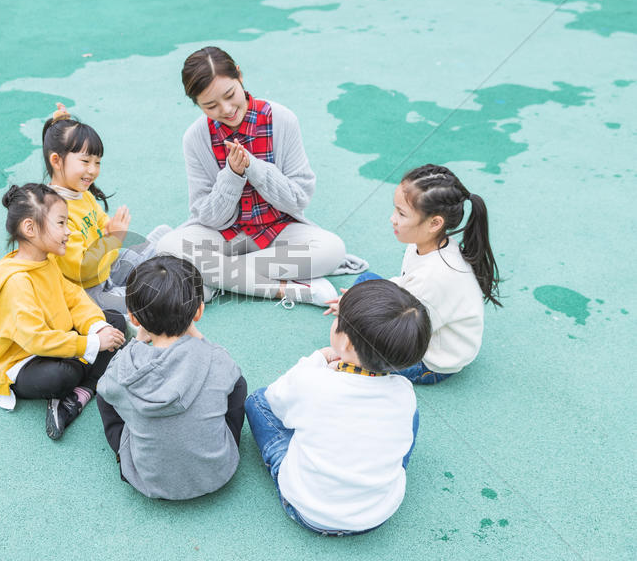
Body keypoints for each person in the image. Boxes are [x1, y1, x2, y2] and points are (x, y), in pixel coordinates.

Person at [155, 46, 367, 308]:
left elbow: (298, 199)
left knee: (332, 249)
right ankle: (290, 289)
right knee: (168, 246)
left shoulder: (282, 119)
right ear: (197, 104)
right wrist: (232, 176)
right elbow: (207, 217)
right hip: (223, 235)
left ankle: (212, 278)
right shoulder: (195, 138)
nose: (226, 109)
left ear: (240, 77)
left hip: (278, 230)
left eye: (230, 95)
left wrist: (252, 169)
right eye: (210, 106)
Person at [245, 279, 431, 535]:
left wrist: (317, 359)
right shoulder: (404, 391)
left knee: (256, 401)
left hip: (307, 510)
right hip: (376, 514)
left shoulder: (313, 381)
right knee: (410, 415)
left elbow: (275, 398)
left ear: (348, 344)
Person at [0, 183, 127, 440]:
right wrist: (90, 344)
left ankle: (77, 397)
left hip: (60, 340)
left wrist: (97, 328)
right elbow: (37, 340)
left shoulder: (46, 261)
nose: (68, 231)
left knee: (114, 323)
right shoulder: (17, 283)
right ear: (30, 228)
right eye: (61, 223)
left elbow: (75, 299)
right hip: (25, 362)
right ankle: (80, 384)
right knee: (59, 377)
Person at [326, 164, 501, 384]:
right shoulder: (425, 245)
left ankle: (347, 363)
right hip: (418, 311)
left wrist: (353, 313)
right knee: (365, 281)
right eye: (395, 209)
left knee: (352, 356)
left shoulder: (435, 278)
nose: (393, 218)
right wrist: (354, 300)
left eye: (401, 213)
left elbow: (404, 330)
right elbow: (403, 286)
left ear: (434, 223)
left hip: (429, 361)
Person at [96, 255, 247, 500]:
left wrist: (136, 340)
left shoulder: (125, 367)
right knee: (237, 385)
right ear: (199, 310)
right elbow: (234, 379)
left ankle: (125, 452)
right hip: (218, 473)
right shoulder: (217, 358)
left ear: (133, 318)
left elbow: (105, 388)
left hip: (148, 481)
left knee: (106, 396)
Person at [42, 103, 169, 316]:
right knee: (143, 299)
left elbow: (102, 225)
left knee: (153, 256)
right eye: (85, 161)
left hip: (105, 268)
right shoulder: (53, 212)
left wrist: (111, 231)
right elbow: (82, 268)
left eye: (97, 162)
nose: (92, 171)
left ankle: (156, 273)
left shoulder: (81, 194)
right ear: (56, 160)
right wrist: (114, 239)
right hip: (85, 291)